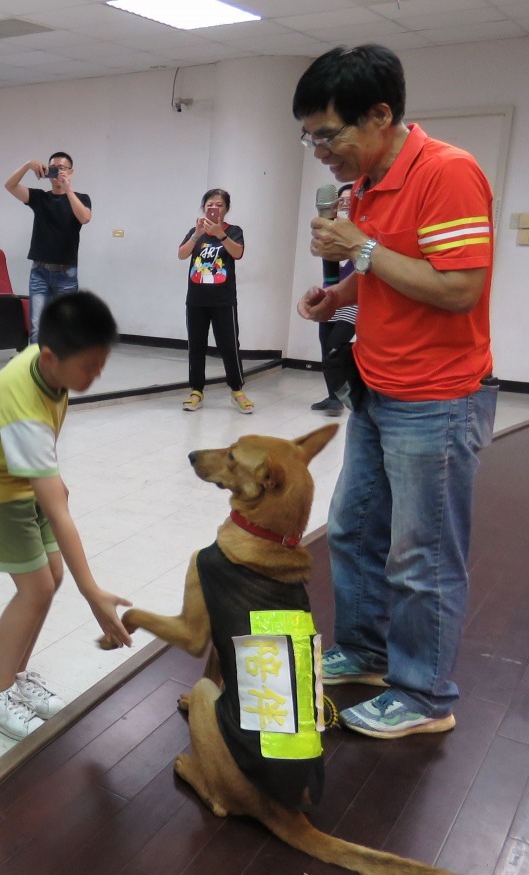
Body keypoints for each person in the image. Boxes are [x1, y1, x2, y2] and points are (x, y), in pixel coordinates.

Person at [294, 44, 497, 738]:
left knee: (422, 553)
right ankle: (363, 652)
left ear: (380, 114)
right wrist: (340, 293)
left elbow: (458, 287)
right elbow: (386, 273)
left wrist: (366, 250)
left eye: (328, 133)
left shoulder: (448, 173)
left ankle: (423, 696)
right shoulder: (367, 182)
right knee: (351, 529)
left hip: (438, 398)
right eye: (310, 134)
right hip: (379, 387)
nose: (319, 149)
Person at [0, 291, 131, 740]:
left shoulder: (51, 367)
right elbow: (58, 510)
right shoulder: (23, 407)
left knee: (50, 577)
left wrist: (49, 476)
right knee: (35, 589)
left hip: (23, 476)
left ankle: (13, 677)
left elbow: (48, 478)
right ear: (51, 357)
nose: (97, 374)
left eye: (101, 363)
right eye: (89, 366)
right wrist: (93, 593)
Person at [4, 152, 91, 344]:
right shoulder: (40, 198)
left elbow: (84, 218)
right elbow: (9, 185)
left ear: (71, 172)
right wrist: (28, 165)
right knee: (37, 328)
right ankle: (37, 371)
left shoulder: (81, 198)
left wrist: (68, 189)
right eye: (53, 168)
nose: (57, 172)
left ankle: (60, 371)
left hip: (66, 275)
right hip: (40, 272)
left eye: (62, 168)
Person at [177, 188, 251, 414]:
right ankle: (196, 390)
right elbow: (182, 254)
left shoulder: (234, 231)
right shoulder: (195, 231)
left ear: (226, 209)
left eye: (219, 204)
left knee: (229, 345)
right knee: (196, 346)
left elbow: (237, 253)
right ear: (203, 207)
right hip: (196, 299)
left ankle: (237, 390)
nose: (213, 208)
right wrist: (196, 235)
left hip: (223, 299)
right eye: (209, 204)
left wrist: (221, 235)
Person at [310, 183, 358, 417]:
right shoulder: (330, 228)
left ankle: (347, 393)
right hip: (330, 294)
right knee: (325, 348)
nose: (345, 202)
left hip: (353, 300)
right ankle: (333, 398)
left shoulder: (360, 229)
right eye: (342, 199)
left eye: (350, 198)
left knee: (335, 347)